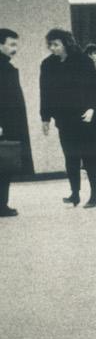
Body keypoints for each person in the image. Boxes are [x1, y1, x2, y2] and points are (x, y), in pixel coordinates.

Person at [41, 29, 96, 207]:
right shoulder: (48, 64)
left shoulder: (82, 61)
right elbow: (45, 92)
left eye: (56, 44)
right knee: (70, 157)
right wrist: (45, 117)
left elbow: (95, 87)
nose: (53, 48)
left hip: (85, 115)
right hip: (64, 117)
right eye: (50, 45)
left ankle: (95, 194)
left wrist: (92, 108)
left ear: (66, 43)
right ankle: (75, 193)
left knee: (89, 156)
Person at [0, 28, 28, 216]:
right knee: (3, 166)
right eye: (11, 44)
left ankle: (2, 204)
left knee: (3, 166)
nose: (15, 48)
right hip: (4, 123)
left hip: (7, 122)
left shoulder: (6, 65)